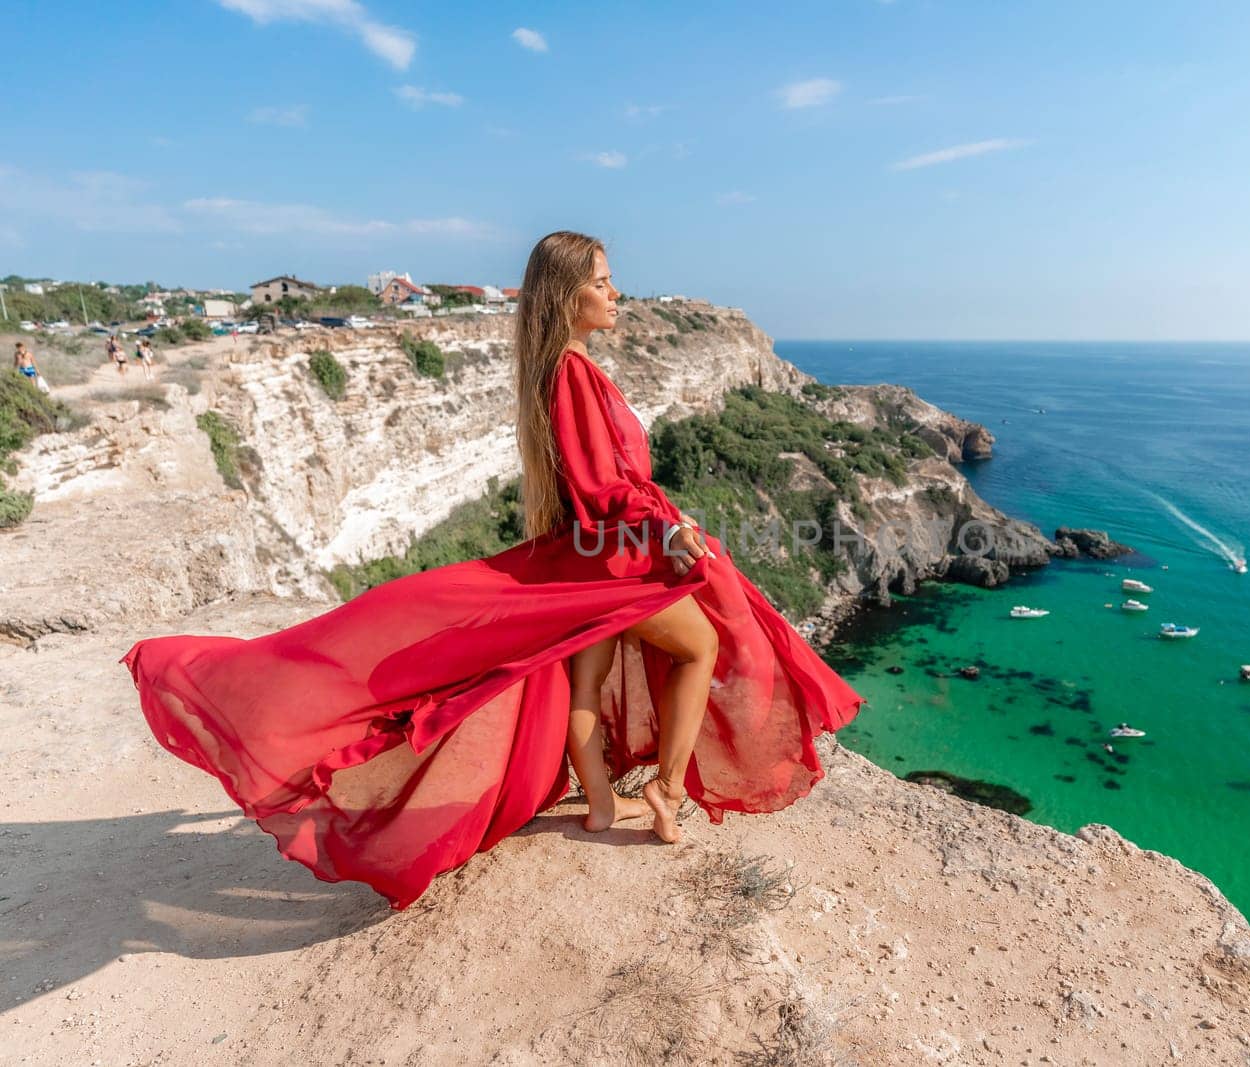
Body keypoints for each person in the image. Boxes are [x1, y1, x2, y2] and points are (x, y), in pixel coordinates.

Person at [122, 230, 865, 909]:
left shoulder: (564, 367)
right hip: (609, 555)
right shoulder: (573, 373)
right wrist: (666, 532)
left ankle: (604, 803)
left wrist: (660, 522)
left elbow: (597, 484)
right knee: (702, 642)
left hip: (587, 551)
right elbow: (603, 484)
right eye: (602, 283)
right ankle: (668, 791)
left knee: (582, 676)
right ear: (567, 295)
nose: (615, 294)